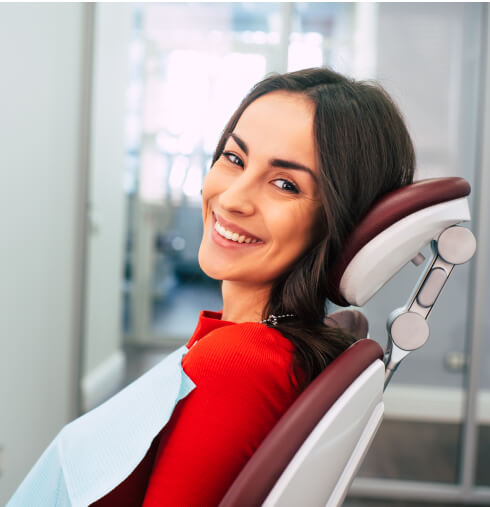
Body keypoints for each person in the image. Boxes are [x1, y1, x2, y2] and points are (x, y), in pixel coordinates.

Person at [8, 67, 415, 507]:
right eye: (234, 158)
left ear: (342, 219)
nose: (233, 198)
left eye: (285, 184)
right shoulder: (256, 347)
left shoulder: (239, 365)